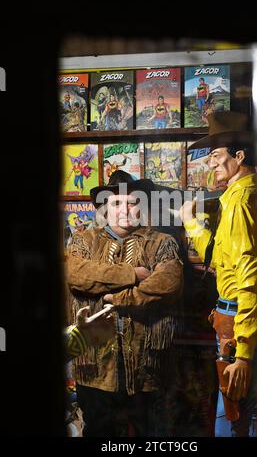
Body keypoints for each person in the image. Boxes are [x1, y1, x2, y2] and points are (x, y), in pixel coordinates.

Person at [66, 170, 183, 437]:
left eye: (132, 202)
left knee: (152, 434)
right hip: (94, 366)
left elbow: (168, 284)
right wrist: (131, 275)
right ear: (106, 209)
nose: (125, 210)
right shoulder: (85, 240)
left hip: (148, 367)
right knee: (98, 432)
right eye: (117, 203)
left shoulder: (162, 242)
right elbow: (77, 275)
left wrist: (117, 298)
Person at [179, 111, 257, 437]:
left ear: (238, 156)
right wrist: (190, 221)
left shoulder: (241, 201)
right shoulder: (237, 197)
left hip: (238, 322)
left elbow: (250, 275)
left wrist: (243, 353)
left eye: (215, 155)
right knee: (235, 412)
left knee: (238, 416)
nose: (210, 163)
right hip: (232, 320)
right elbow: (221, 255)